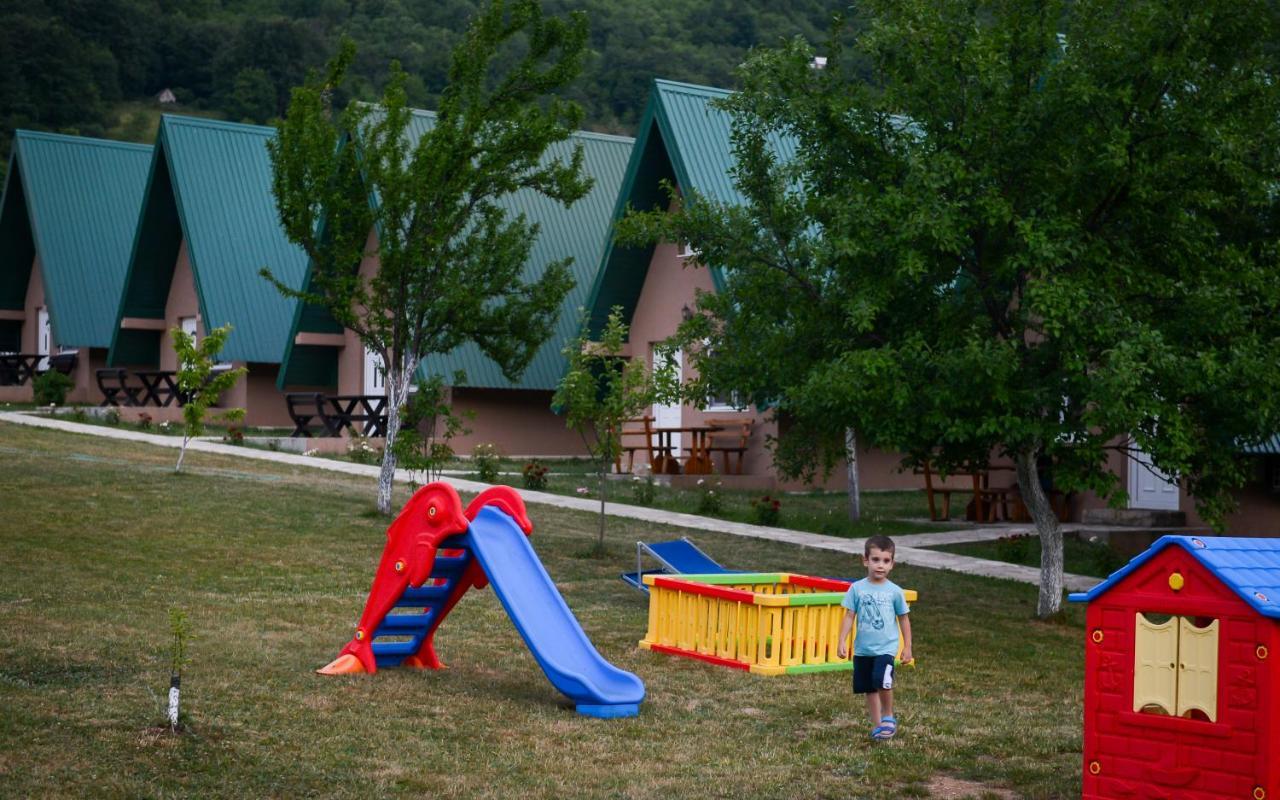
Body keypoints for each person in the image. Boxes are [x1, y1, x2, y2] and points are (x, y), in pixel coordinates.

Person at [837, 534, 913, 741]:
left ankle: (888, 715)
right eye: (876, 560)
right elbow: (849, 616)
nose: (880, 565)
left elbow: (904, 619)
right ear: (866, 560)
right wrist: (841, 640)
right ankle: (879, 726)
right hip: (863, 649)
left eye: (886, 561)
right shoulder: (857, 588)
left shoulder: (895, 592)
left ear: (892, 564)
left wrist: (908, 647)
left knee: (882, 680)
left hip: (886, 649)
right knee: (869, 687)